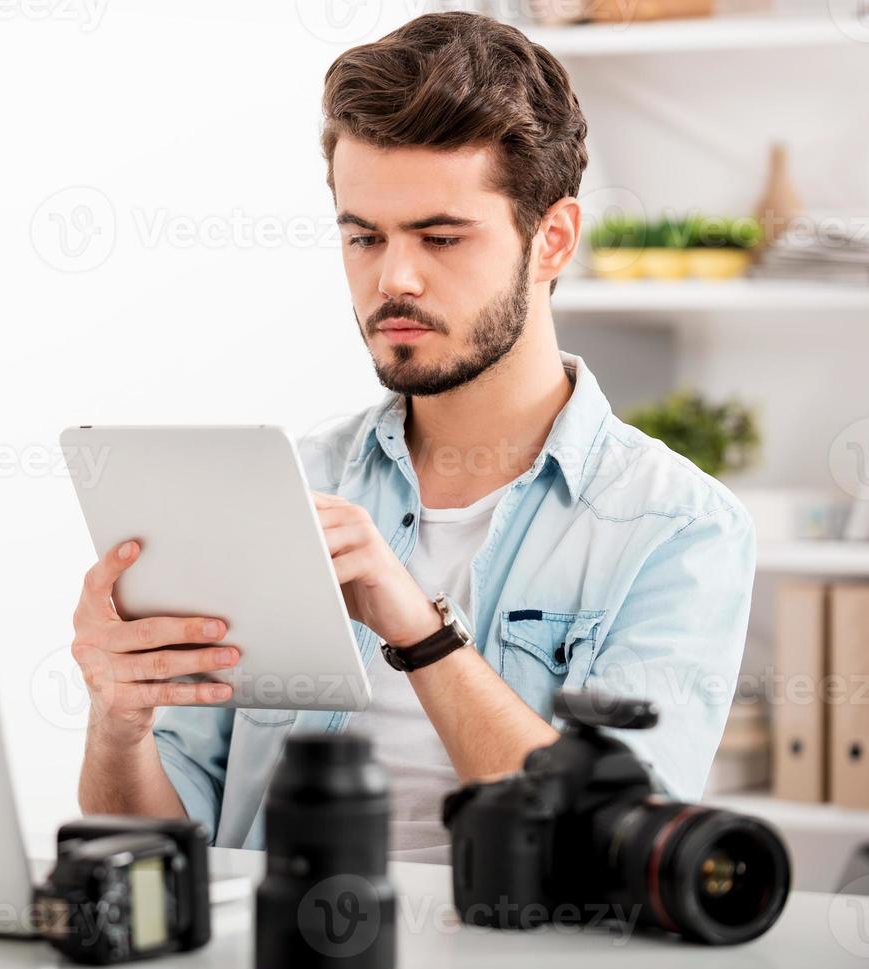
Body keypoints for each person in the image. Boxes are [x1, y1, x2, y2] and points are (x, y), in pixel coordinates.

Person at [70, 12, 756, 862]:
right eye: (363, 237)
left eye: (439, 237)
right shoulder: (287, 487)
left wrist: (419, 631)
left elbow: (608, 849)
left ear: (552, 240)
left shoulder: (679, 528)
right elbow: (157, 850)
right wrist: (118, 726)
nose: (393, 277)